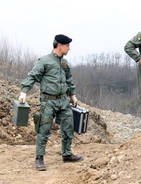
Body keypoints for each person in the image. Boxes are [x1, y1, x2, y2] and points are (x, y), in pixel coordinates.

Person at [18, 34, 82, 171]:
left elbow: (69, 80)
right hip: (49, 101)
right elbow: (33, 75)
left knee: (69, 126)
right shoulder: (44, 61)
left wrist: (73, 95)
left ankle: (67, 154)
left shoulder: (64, 63)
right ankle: (39, 158)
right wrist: (24, 91)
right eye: (67, 46)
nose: (69, 48)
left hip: (63, 100)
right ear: (59, 45)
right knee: (44, 129)